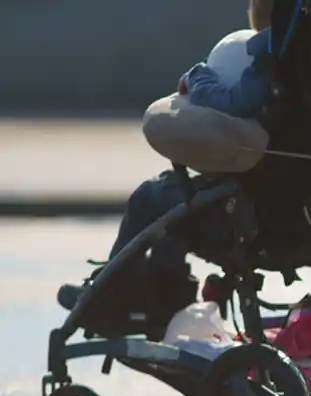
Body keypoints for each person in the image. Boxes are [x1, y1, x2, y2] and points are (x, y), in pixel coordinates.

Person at [57, 0, 278, 338]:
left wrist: (199, 77)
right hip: (308, 217)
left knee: (153, 197)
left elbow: (237, 101)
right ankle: (159, 289)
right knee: (178, 189)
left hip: (247, 219)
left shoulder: (272, 57)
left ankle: (114, 298)